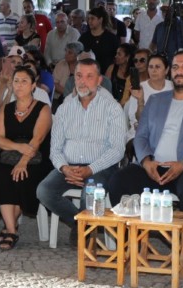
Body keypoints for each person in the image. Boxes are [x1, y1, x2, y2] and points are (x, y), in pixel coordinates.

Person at [104, 50, 183, 268]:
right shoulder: (156, 100)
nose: (179, 71)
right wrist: (146, 161)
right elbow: (141, 136)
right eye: (175, 67)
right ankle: (133, 242)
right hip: (154, 165)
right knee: (119, 181)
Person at [37, 54, 129, 227]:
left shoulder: (112, 108)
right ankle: (81, 226)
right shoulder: (64, 108)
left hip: (101, 167)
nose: (82, 81)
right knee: (44, 191)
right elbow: (55, 149)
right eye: (79, 76)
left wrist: (90, 169)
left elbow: (117, 149)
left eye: (89, 77)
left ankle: (82, 231)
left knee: (90, 194)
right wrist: (64, 168)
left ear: (99, 80)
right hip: (69, 166)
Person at [0, 62, 51, 250]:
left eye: (24, 81)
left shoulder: (43, 109)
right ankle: (11, 228)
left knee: (22, 175)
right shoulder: (6, 109)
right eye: (16, 81)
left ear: (33, 85)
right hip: (9, 153)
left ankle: (9, 228)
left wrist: (23, 161)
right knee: (1, 174)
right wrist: (18, 147)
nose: (19, 85)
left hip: (36, 156)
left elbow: (37, 140)